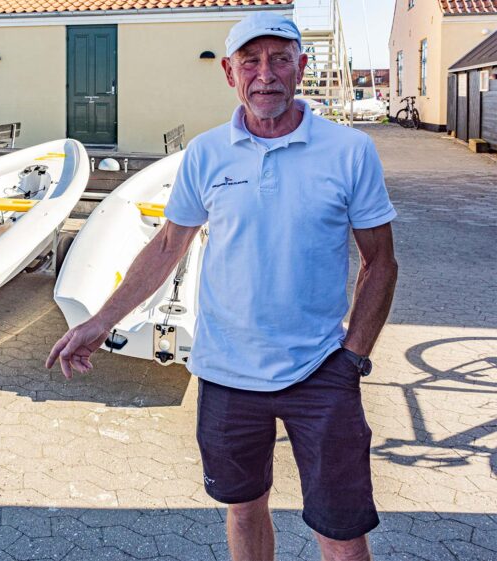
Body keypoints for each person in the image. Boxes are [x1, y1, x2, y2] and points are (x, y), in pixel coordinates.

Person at [47, 12, 397, 561]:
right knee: (243, 509)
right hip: (226, 374)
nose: (266, 75)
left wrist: (353, 357)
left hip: (321, 371)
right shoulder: (206, 154)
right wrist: (98, 322)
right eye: (250, 62)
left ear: (301, 67)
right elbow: (168, 246)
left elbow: (381, 262)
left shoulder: (350, 151)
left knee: (342, 532)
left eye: (280, 59)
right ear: (230, 74)